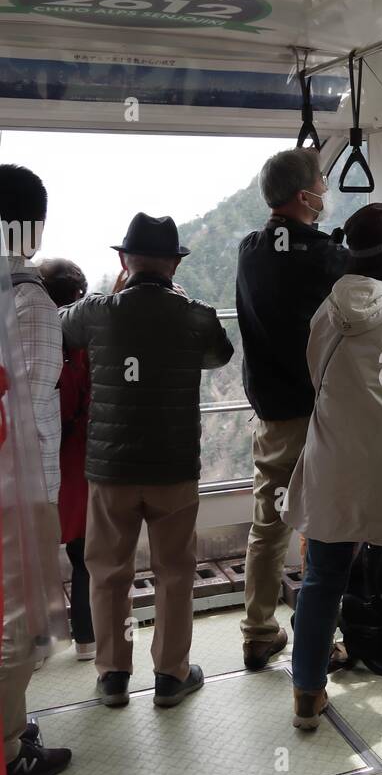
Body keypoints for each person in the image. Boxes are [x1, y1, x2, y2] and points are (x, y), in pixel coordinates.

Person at [61, 213, 233, 708]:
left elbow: (59, 328)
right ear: (175, 265)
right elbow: (218, 356)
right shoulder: (196, 314)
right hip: (173, 467)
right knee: (175, 571)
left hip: (110, 470)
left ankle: (113, 675)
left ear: (123, 261)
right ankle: (170, 676)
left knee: (108, 571)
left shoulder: (97, 312)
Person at [284, 203, 382, 728]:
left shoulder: (326, 313)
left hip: (336, 463)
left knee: (323, 578)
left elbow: (315, 379)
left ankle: (306, 694)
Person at [236, 148, 347, 670]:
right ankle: (320, 642)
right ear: (305, 197)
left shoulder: (249, 249)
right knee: (324, 526)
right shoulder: (325, 256)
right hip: (319, 415)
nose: (326, 190)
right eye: (322, 184)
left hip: (272, 415)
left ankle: (258, 631)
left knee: (270, 524)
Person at [1, 165, 71, 775]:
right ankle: (9, 749)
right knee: (18, 628)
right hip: (17, 495)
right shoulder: (30, 303)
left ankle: (14, 726)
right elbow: (25, 412)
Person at [38, 258, 94, 661]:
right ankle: (87, 642)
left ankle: (36, 646)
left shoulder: (29, 340)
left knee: (30, 557)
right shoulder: (84, 346)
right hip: (76, 462)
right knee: (83, 555)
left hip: (35, 461)